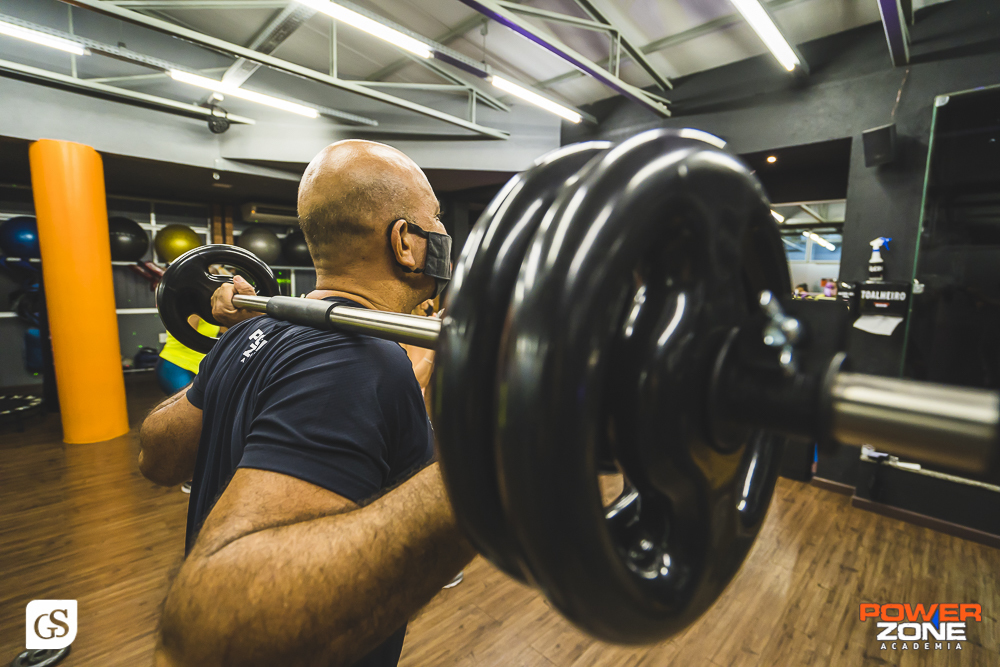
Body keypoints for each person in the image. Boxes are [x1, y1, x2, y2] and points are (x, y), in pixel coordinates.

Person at [138, 140, 475, 667]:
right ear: (406, 241)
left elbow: (155, 458)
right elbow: (208, 641)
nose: (443, 239)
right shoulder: (361, 360)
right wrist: (501, 459)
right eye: (435, 222)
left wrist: (230, 358)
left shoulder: (254, 330)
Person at [155, 315, 221, 395]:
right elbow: (188, 336)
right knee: (185, 404)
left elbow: (227, 328)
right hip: (177, 364)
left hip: (199, 366)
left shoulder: (210, 311)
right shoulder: (191, 309)